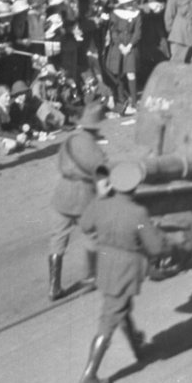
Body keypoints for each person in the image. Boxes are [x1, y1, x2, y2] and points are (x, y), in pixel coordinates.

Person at [78, 161, 166, 383]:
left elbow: (85, 225)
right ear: (135, 187)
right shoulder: (138, 212)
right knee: (110, 318)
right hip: (125, 270)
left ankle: (137, 347)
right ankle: (90, 376)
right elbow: (156, 248)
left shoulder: (101, 205)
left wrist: (99, 197)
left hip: (105, 264)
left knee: (120, 306)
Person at [47, 100, 109, 304]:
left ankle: (54, 287)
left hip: (62, 193)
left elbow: (59, 163)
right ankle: (91, 277)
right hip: (84, 197)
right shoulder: (96, 150)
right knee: (92, 234)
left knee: (58, 239)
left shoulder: (69, 141)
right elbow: (102, 174)